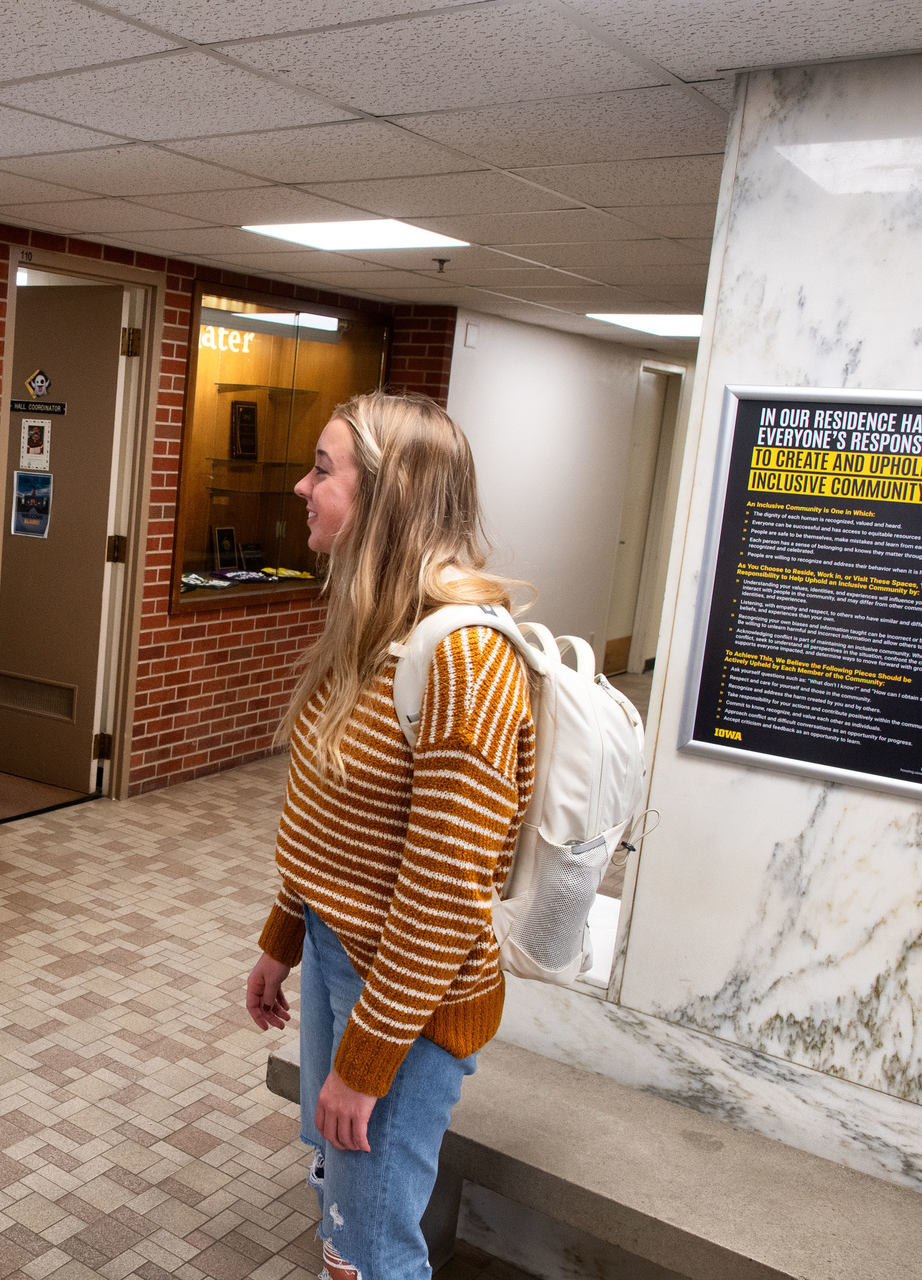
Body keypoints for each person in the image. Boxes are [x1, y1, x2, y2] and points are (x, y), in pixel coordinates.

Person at [243, 392, 535, 1280]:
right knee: (339, 1207)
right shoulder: (378, 628)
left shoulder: (464, 660)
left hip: (404, 999)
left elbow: (444, 895)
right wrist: (284, 936)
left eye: (324, 470)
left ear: (389, 496)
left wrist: (366, 1063)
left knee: (368, 1251)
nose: (302, 485)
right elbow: (339, 821)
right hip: (345, 959)